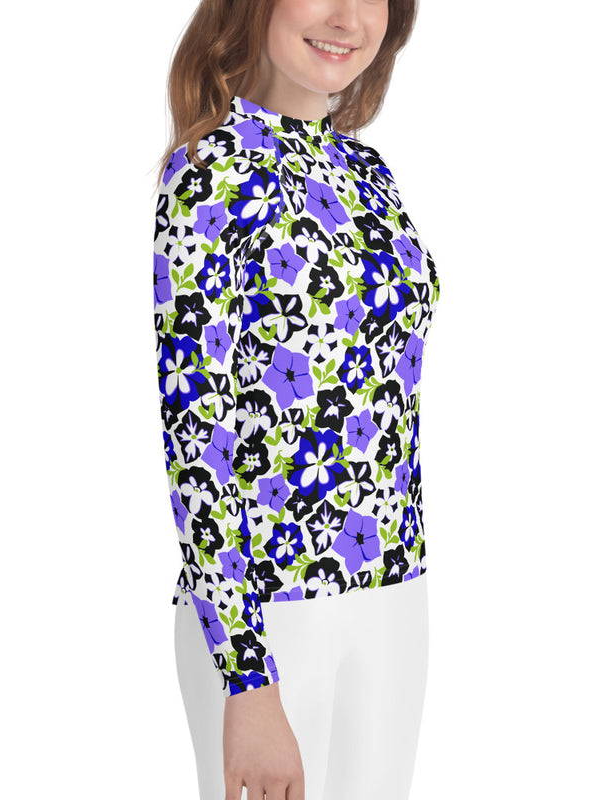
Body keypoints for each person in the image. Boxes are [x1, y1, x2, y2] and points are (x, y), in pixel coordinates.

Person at [152, 1, 439, 798]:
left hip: (395, 592)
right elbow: (197, 439)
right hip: (268, 610)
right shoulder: (209, 174)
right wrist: (247, 679)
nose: (347, 16)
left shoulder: (369, 174)